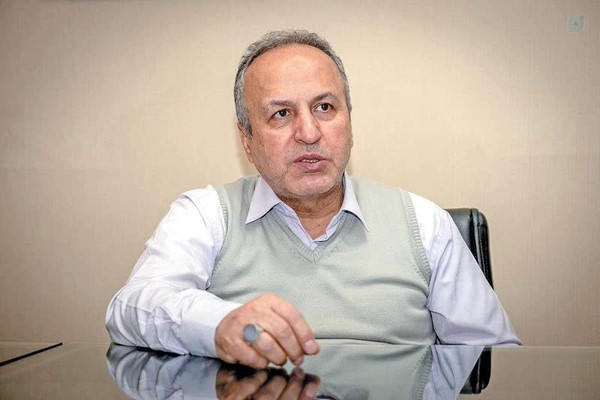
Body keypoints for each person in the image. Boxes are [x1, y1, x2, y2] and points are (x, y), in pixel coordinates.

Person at [106, 29, 520, 370]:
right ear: (247, 139)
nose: (308, 133)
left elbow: (494, 360)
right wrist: (219, 324)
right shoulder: (206, 214)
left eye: (324, 107)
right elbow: (130, 308)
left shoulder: (424, 222)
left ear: (349, 122)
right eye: (281, 114)